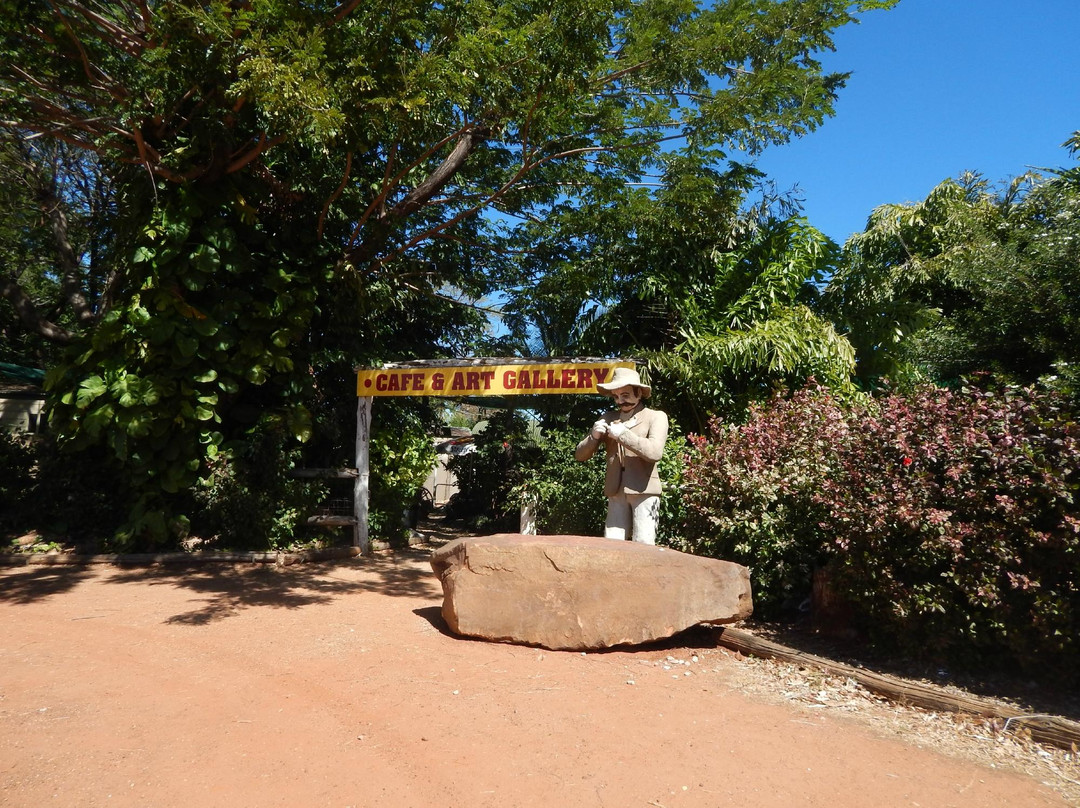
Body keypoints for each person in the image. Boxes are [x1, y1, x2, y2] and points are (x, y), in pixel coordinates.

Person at [574, 367, 669, 544]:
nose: (620, 401)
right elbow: (580, 455)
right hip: (615, 491)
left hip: (644, 490)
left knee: (644, 543)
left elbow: (655, 452)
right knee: (612, 544)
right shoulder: (608, 418)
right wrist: (593, 437)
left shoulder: (656, 417)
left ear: (639, 392)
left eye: (625, 395)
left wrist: (623, 435)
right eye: (616, 396)